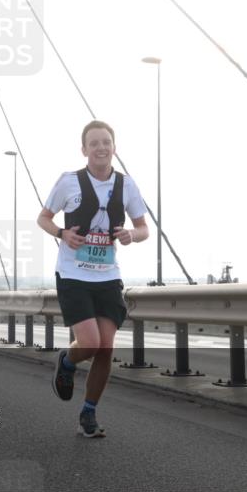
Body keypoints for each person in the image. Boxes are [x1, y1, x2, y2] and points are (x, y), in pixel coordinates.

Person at [37, 120, 148, 438]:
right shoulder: (68, 182)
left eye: (106, 142)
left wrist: (131, 234)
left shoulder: (126, 186)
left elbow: (143, 228)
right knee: (89, 343)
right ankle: (67, 362)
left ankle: (88, 413)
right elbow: (43, 217)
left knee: (105, 348)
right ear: (84, 150)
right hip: (73, 275)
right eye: (94, 143)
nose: (101, 148)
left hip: (107, 277)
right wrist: (61, 232)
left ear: (114, 147)